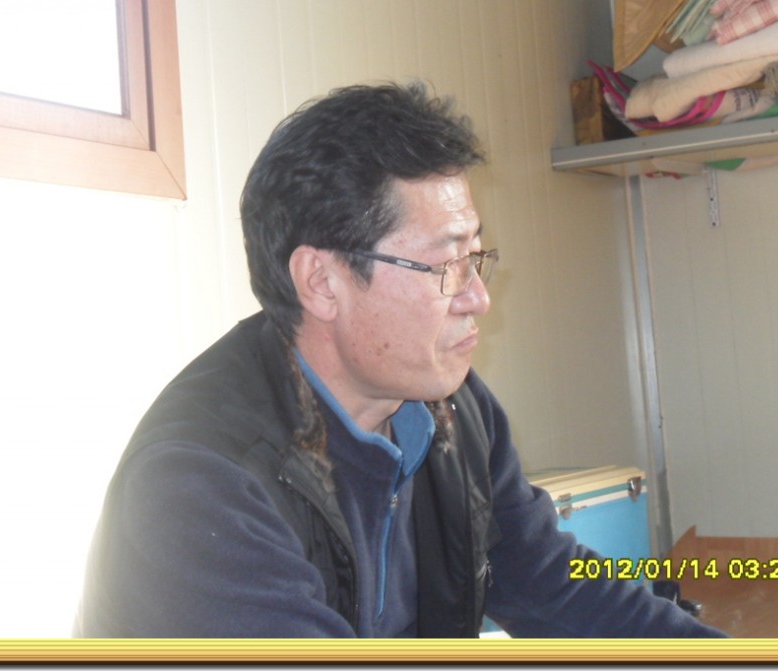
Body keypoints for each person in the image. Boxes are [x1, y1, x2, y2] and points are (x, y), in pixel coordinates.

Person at [75, 81, 727, 639]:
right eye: (446, 265)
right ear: (322, 282)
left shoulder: (453, 411)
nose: (479, 298)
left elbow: (557, 586)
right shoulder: (200, 488)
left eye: (475, 258)